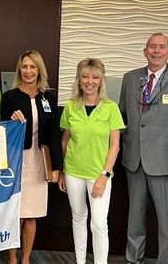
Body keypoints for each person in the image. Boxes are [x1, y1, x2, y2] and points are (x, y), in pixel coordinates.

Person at [118, 32, 168, 264]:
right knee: (134, 219)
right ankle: (133, 259)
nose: (156, 50)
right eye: (152, 46)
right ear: (145, 51)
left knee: (167, 223)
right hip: (134, 161)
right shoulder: (131, 77)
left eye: (162, 47)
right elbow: (123, 117)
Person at [58, 58, 125, 264]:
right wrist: (64, 170)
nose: (90, 81)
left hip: (99, 174)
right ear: (79, 80)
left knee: (98, 223)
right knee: (78, 218)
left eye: (95, 77)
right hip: (73, 172)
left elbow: (115, 146)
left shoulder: (110, 107)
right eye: (85, 76)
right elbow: (65, 140)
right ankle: (80, 261)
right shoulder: (70, 107)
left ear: (101, 80)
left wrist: (104, 176)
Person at [0, 50, 62, 264]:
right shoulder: (9, 97)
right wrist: (11, 118)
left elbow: (55, 134)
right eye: (24, 67)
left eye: (32, 67)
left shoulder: (49, 98)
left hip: (39, 161)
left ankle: (25, 259)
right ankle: (11, 258)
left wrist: (56, 167)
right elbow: (2, 129)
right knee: (14, 212)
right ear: (20, 70)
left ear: (39, 70)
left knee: (31, 213)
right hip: (16, 160)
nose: (28, 71)